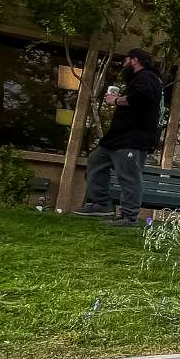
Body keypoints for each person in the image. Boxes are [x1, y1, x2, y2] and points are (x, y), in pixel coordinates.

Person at [73, 48, 163, 227]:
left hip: (133, 138)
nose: (123, 64)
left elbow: (142, 97)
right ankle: (102, 204)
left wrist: (115, 100)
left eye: (125, 60)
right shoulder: (138, 79)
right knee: (96, 161)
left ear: (134, 60)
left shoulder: (147, 77)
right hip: (116, 138)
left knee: (129, 176)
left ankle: (129, 217)